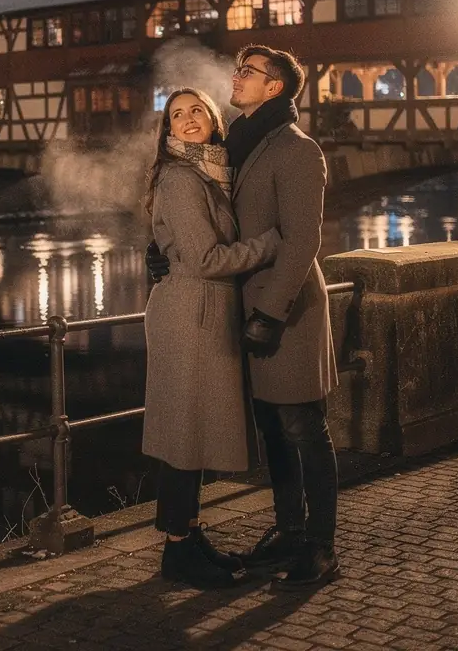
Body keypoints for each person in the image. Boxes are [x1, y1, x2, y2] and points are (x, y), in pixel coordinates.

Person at [147, 46, 341, 588]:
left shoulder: (296, 149)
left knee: (304, 427)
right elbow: (200, 215)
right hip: (239, 309)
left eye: (248, 72)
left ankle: (320, 547)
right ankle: (287, 530)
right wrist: (160, 246)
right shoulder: (233, 144)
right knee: (273, 431)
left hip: (286, 310)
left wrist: (270, 314)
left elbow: (302, 239)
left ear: (274, 87)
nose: (236, 77)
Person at [143, 87, 281, 589]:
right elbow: (204, 259)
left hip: (203, 309)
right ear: (168, 131)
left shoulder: (213, 171)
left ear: (212, 117)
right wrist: (267, 246)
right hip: (190, 312)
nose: (187, 119)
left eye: (195, 109)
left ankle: (191, 535)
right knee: (185, 432)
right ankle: (178, 550)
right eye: (175, 115)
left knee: (194, 429)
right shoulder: (182, 179)